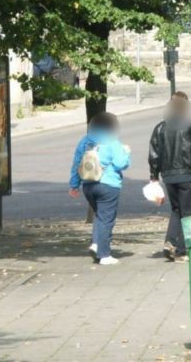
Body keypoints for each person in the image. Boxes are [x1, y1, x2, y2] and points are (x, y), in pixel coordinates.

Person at [148, 92, 191, 262]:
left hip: (168, 176)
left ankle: (170, 241)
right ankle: (181, 250)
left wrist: (154, 176)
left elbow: (154, 154)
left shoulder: (160, 128)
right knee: (186, 213)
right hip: (186, 175)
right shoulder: (189, 126)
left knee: (176, 210)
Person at [69, 112, 131, 266]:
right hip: (108, 185)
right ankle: (104, 254)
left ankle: (96, 243)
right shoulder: (112, 141)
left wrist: (74, 185)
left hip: (88, 184)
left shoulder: (85, 141)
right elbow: (120, 163)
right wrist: (127, 152)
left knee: (100, 215)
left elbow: (77, 163)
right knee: (106, 219)